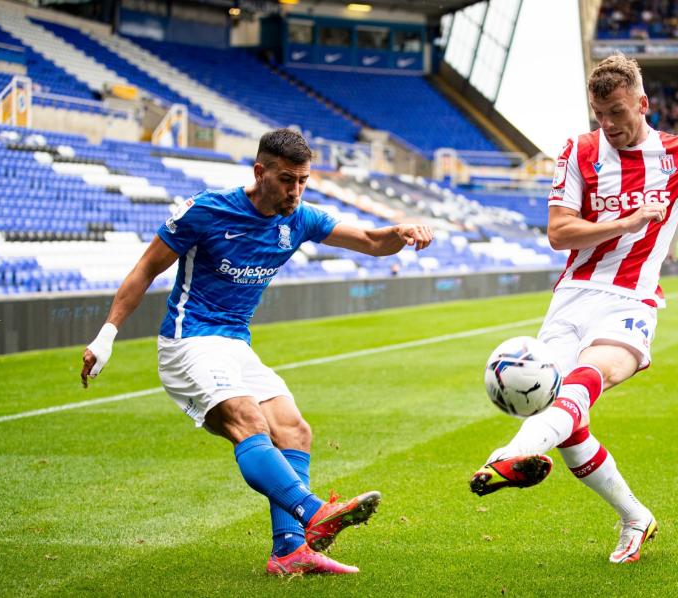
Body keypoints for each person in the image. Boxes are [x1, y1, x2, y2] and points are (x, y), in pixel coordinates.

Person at [468, 54, 678, 564]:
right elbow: (559, 232)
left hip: (632, 300)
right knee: (567, 420)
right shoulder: (578, 151)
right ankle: (635, 517)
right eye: (600, 114)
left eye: (618, 112)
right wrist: (623, 223)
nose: (609, 125)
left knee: (584, 381)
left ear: (642, 104)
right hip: (572, 296)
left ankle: (509, 454)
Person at [79, 129, 433, 575]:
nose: (296, 191)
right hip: (190, 341)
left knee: (293, 430)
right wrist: (107, 335)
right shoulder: (206, 210)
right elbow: (146, 269)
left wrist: (401, 231)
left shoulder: (299, 217)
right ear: (260, 171)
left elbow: (371, 241)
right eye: (287, 180)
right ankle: (314, 513)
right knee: (250, 420)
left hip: (235, 344)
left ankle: (289, 553)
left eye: (303, 180)